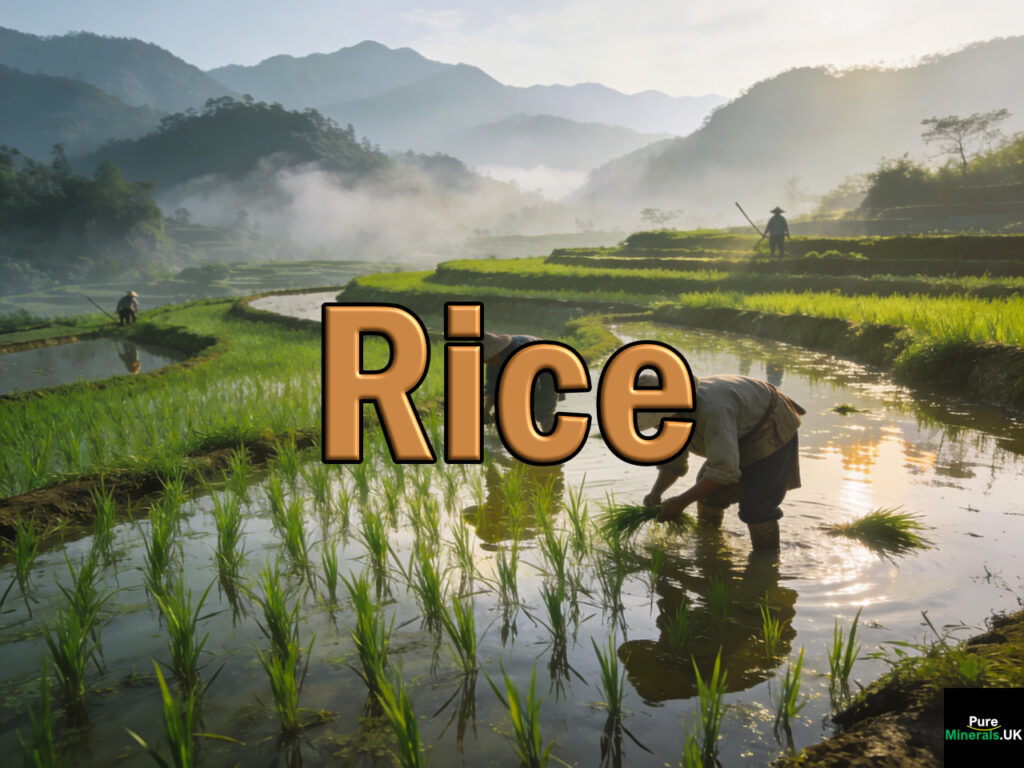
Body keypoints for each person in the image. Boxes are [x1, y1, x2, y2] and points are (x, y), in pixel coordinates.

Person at [640, 371, 805, 551]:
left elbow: (723, 471)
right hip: (739, 427)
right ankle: (710, 545)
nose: (656, 426)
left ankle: (767, 563)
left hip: (768, 422)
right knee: (707, 494)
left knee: (757, 505)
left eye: (656, 420)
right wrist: (655, 493)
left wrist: (679, 503)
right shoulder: (674, 419)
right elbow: (674, 462)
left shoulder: (713, 410)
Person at [482, 331, 562, 433]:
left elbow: (533, 388)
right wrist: (485, 412)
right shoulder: (492, 361)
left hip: (547, 367)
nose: (486, 362)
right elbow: (492, 388)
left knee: (544, 412)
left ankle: (552, 441)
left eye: (487, 358)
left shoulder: (519, 353)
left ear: (496, 352)